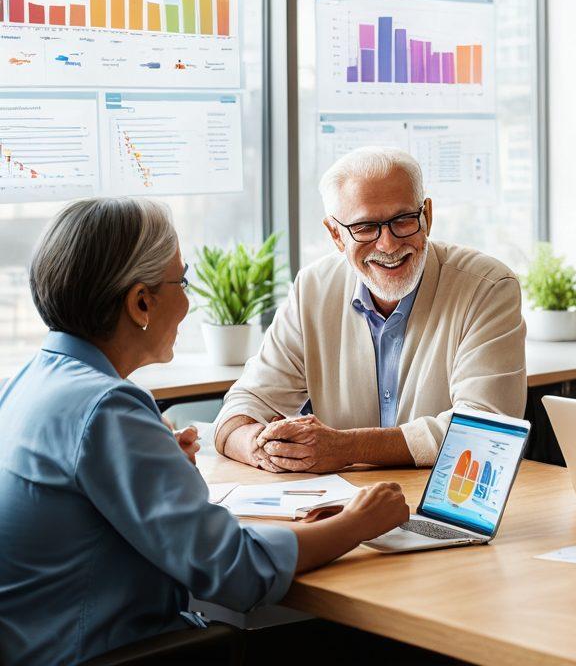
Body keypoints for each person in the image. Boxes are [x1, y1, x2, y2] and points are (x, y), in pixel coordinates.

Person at [0, 196, 409, 666]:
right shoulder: (107, 408)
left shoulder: (30, 382)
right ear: (140, 302)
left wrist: (161, 469)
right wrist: (358, 523)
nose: (189, 299)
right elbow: (236, 570)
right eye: (183, 279)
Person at [214, 146, 527, 473]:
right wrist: (263, 447)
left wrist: (346, 447)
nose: (388, 245)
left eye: (403, 220)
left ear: (427, 217)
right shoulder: (313, 288)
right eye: (365, 228)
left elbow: (486, 431)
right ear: (336, 235)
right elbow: (244, 404)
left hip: (441, 505)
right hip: (344, 509)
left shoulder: (488, 286)